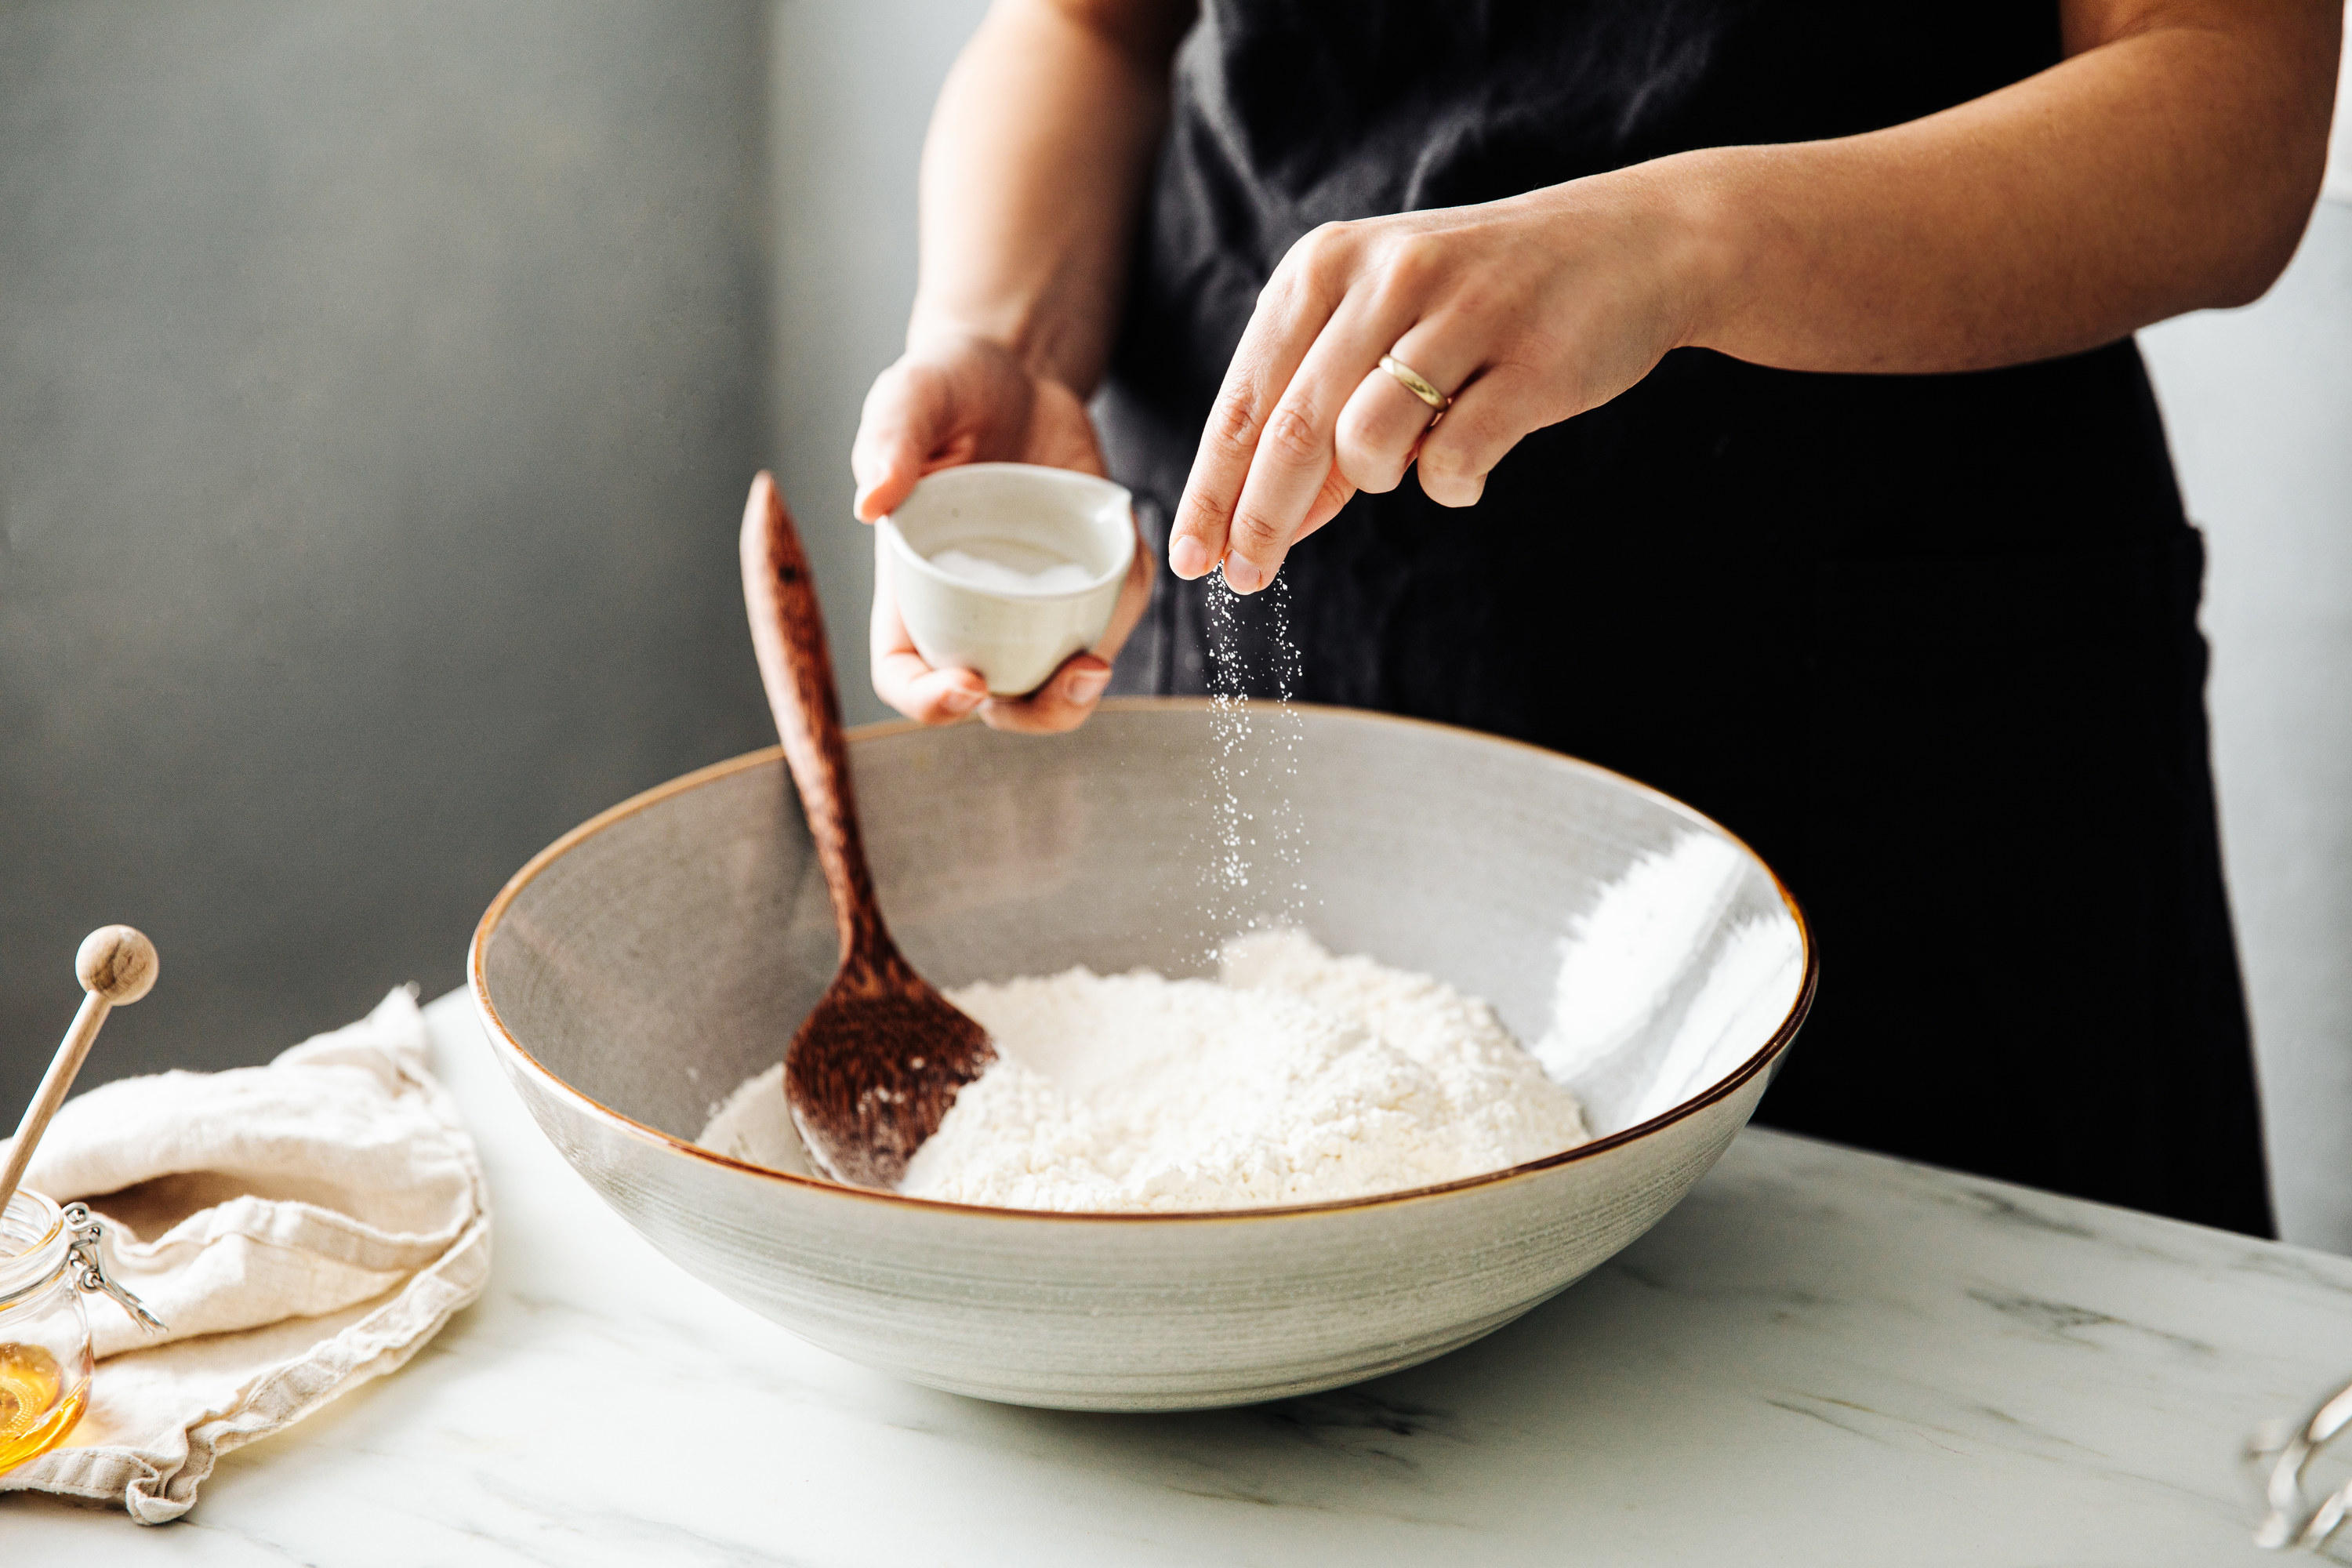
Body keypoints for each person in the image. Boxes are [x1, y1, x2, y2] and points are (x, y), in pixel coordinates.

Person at [848, 0, 2341, 1236]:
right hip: (1283, 597)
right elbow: (1087, 28)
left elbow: (2228, 118)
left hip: (1907, 716)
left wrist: (1681, 241)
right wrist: (1001, 340)